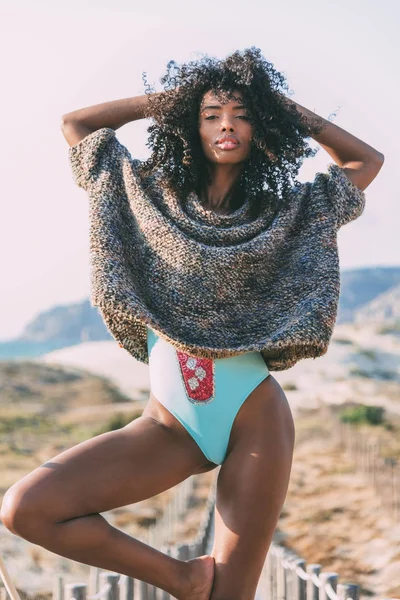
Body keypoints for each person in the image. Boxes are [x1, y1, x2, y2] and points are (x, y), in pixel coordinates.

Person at [0, 48, 384, 600]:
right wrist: (176, 100)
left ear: (261, 127)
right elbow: (77, 126)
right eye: (210, 115)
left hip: (256, 414)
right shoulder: (150, 198)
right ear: (191, 124)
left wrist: (278, 106)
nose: (226, 124)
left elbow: (363, 163)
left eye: (242, 114)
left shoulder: (283, 213)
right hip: (170, 425)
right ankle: (182, 578)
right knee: (26, 509)